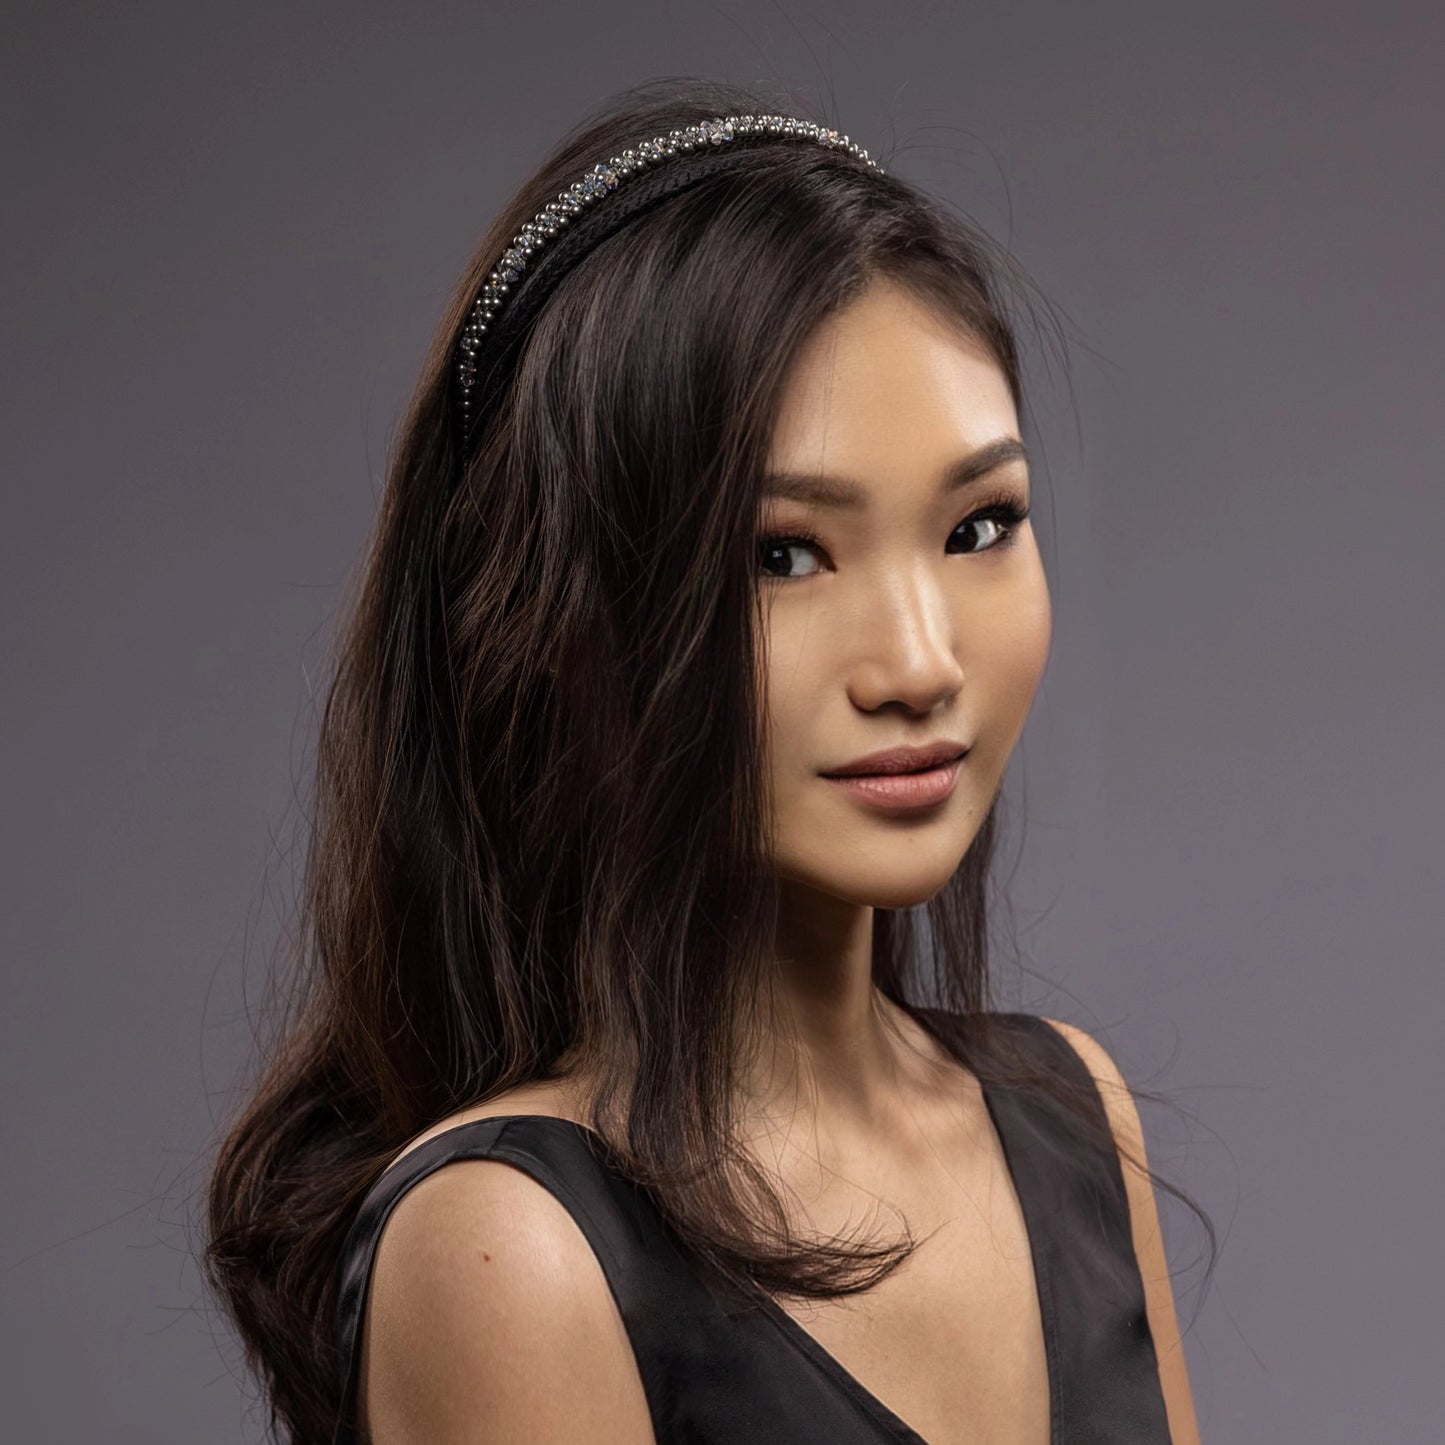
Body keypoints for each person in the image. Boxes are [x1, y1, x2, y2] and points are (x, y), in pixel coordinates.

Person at [205, 77, 1211, 1445]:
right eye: (780, 554)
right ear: (564, 622)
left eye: (977, 526)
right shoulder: (517, 1250)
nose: (917, 659)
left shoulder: (1072, 1125)